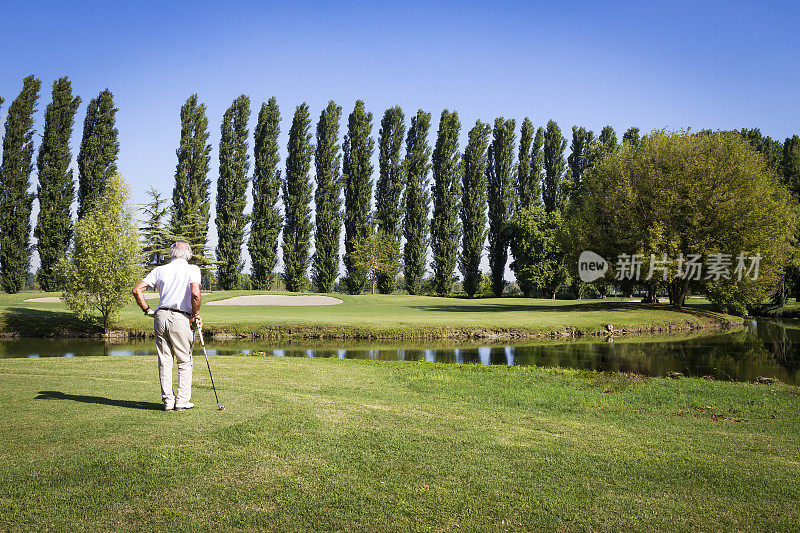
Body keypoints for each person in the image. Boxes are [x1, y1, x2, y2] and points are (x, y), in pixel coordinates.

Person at [132, 241, 202, 411]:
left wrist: (148, 310)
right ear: (188, 254)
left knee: (165, 360)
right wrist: (195, 314)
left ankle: (168, 401)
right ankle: (182, 401)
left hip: (160, 315)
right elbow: (195, 293)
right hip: (180, 317)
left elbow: (137, 290)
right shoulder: (193, 269)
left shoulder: (160, 270)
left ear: (172, 253)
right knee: (184, 360)